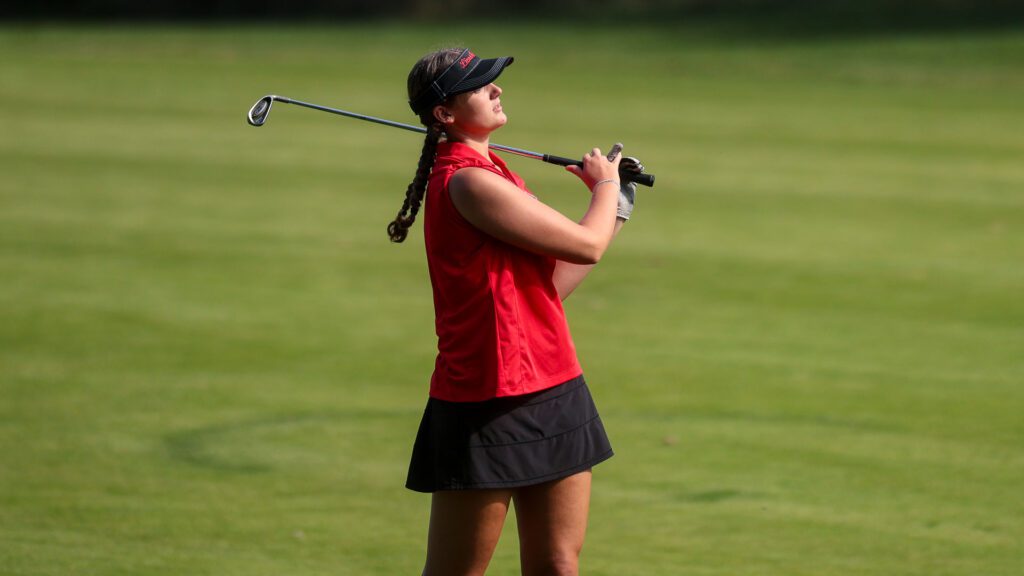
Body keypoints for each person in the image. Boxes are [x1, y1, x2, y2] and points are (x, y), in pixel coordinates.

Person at [389, 47, 638, 576]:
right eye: (482, 86)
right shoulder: (468, 182)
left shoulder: (491, 170)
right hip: (487, 397)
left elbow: (545, 289)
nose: (497, 89)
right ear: (444, 115)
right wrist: (607, 182)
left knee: (556, 565)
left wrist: (613, 210)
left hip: (554, 384)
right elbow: (585, 246)